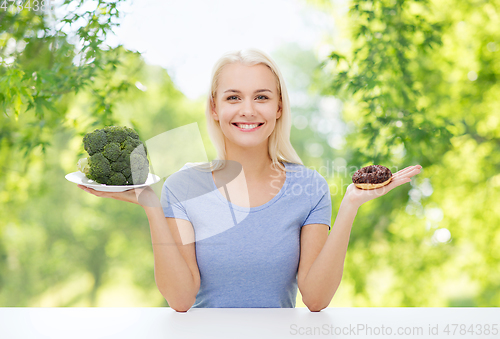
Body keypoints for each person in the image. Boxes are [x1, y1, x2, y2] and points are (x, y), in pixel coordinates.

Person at [78, 48, 422, 312]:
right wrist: (152, 208)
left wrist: (349, 207)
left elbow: (315, 299)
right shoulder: (183, 187)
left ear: (279, 107)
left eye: (261, 97)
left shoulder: (310, 188)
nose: (248, 109)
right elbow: (181, 299)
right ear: (214, 108)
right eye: (233, 98)